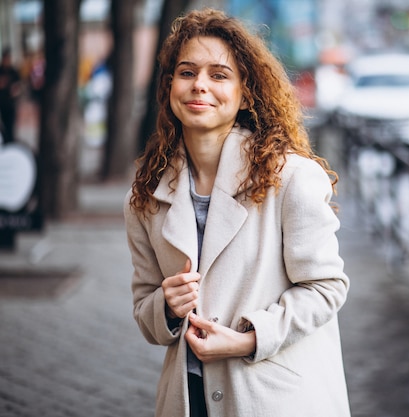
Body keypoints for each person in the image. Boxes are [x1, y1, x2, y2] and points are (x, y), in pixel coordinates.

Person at [124, 8, 351, 417]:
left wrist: (249, 339)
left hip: (273, 399)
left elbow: (326, 288)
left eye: (219, 75)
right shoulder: (145, 196)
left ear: (246, 92)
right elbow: (145, 312)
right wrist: (167, 307)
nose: (200, 86)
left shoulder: (291, 179)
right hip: (187, 401)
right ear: (170, 86)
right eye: (187, 72)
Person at [0, 48, 22, 144]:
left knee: (11, 126)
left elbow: (19, 85)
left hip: (11, 103)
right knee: (3, 125)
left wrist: (16, 90)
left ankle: (11, 142)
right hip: (2, 102)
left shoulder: (13, 71)